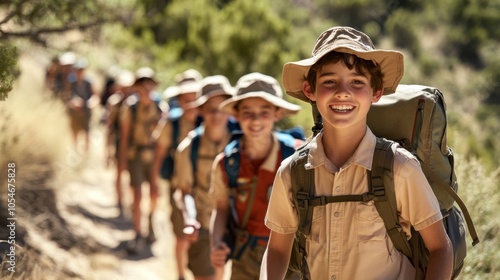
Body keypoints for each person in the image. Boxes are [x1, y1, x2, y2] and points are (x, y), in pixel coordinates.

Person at [260, 26, 453, 279]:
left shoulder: (400, 167)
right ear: (310, 91)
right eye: (329, 81)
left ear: (376, 92)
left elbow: (440, 248)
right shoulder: (293, 172)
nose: (343, 91)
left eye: (357, 82)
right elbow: (277, 249)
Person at [209, 72, 302, 280]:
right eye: (247, 112)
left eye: (264, 112)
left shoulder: (297, 158)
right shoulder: (227, 164)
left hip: (291, 257)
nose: (256, 120)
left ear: (277, 114)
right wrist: (216, 243)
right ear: (236, 115)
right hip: (245, 255)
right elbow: (221, 207)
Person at [171, 75, 235, 280]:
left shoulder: (241, 144)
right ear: (201, 111)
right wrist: (190, 218)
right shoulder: (188, 148)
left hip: (236, 226)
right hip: (203, 224)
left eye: (221, 108)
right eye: (210, 109)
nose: (216, 115)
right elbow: (184, 191)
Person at [151, 69, 203, 279]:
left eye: (195, 99)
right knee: (182, 234)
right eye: (186, 99)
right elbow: (160, 154)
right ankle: (181, 274)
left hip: (208, 188)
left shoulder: (210, 122)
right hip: (179, 185)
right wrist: (154, 182)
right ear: (179, 101)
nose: (191, 104)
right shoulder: (171, 124)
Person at [118, 66, 165, 254]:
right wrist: (122, 162)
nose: (146, 88)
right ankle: (138, 232)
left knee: (154, 193)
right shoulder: (130, 107)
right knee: (137, 195)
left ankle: (151, 220)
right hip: (135, 156)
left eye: (149, 84)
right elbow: (124, 136)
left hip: (153, 156)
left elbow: (163, 140)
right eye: (142, 84)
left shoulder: (160, 108)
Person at [105, 69, 136, 217]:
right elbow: (109, 127)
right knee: (119, 172)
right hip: (119, 142)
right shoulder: (115, 103)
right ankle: (120, 202)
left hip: (134, 144)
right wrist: (107, 150)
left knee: (133, 174)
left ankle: (131, 204)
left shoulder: (136, 103)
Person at [67, 58, 99, 152]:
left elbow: (95, 96)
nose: (80, 72)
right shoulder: (71, 82)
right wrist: (73, 102)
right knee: (74, 132)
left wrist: (92, 102)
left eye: (81, 70)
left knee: (87, 133)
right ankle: (74, 150)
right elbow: (67, 96)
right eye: (78, 70)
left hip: (86, 112)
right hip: (74, 113)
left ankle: (86, 153)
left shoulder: (88, 82)